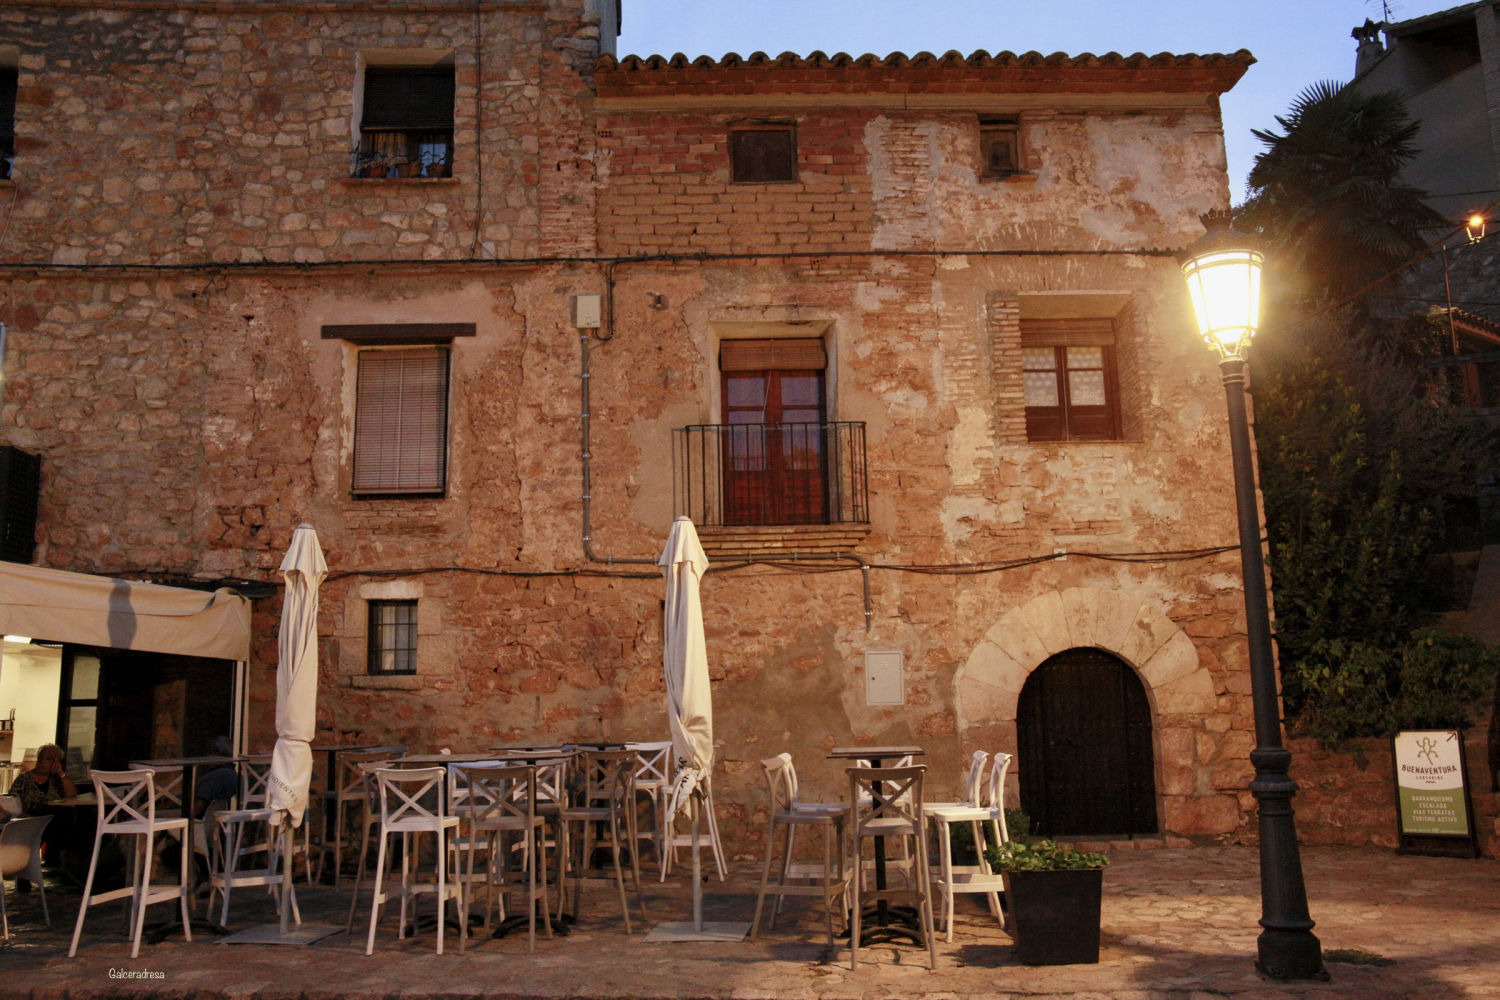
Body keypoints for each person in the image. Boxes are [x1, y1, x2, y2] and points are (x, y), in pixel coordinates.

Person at [6, 743, 79, 884]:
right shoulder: (24, 779)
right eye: (41, 757)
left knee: (67, 813)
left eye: (49, 758)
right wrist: (27, 817)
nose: (41, 761)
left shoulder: (57, 780)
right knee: (57, 817)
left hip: (51, 819)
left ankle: (53, 858)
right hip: (29, 818)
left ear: (56, 763)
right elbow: (11, 804)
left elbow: (71, 795)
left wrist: (61, 773)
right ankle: (54, 859)